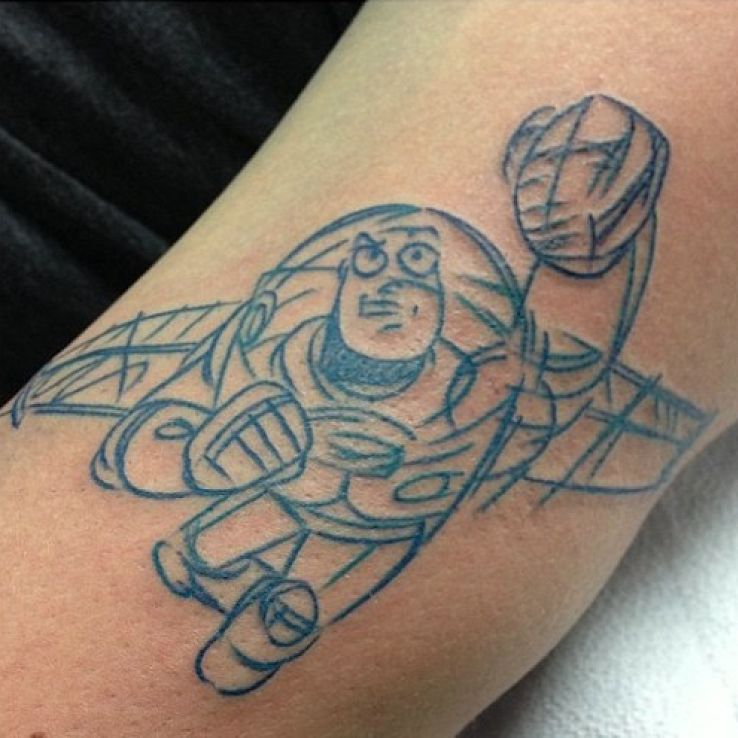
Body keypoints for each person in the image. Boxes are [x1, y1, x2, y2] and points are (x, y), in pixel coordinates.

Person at [1, 3, 736, 737]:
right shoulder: (278, 342)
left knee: (276, 589)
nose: (391, 282)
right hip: (241, 466)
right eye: (372, 263)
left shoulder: (481, 369)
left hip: (307, 527)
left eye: (414, 266)